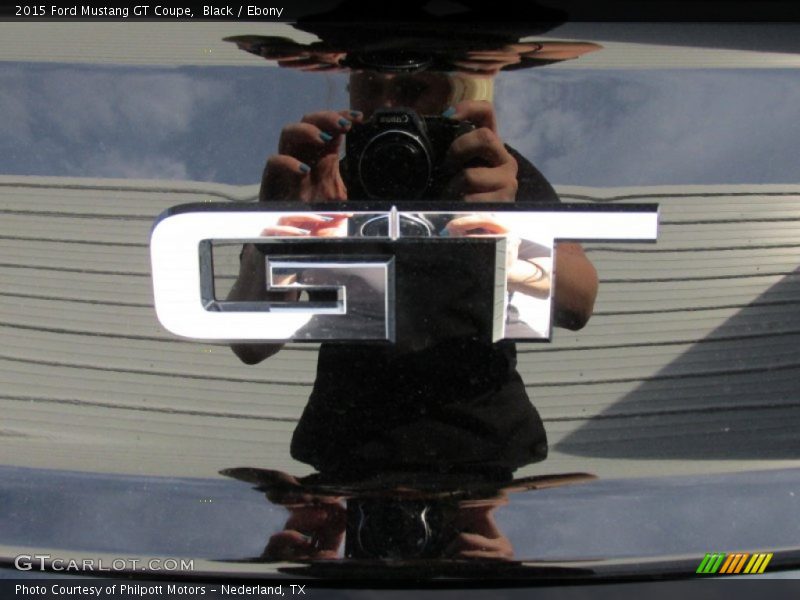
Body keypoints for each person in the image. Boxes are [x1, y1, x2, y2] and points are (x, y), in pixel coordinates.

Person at [228, 57, 598, 480]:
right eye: (368, 85)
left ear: (451, 95)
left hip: (482, 452)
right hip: (352, 456)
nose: (387, 106)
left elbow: (578, 301)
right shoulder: (326, 183)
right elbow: (250, 341)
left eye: (411, 90)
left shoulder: (488, 172)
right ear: (349, 91)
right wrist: (282, 226)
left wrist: (505, 225)